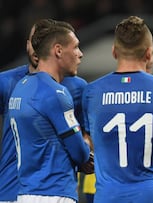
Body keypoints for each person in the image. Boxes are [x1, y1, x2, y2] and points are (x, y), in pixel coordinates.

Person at [81, 15, 153, 203]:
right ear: (149, 53)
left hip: (109, 195)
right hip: (152, 194)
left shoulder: (91, 92)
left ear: (114, 52)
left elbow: (95, 146)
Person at [0, 18, 91, 203]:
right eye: (75, 47)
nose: (80, 54)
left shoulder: (21, 87)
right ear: (57, 50)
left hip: (26, 190)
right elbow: (80, 152)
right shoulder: (55, 92)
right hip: (52, 191)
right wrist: (86, 152)